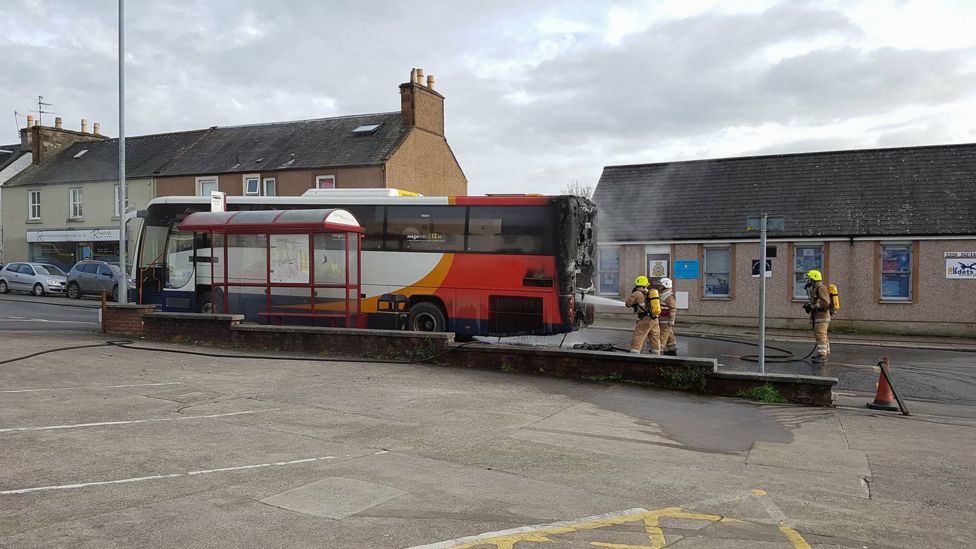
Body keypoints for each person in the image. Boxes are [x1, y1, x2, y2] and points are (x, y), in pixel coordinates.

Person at [625, 275, 661, 355]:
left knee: (639, 335)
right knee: (654, 336)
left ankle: (634, 352)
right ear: (646, 285)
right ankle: (656, 352)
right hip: (655, 318)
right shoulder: (650, 293)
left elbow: (628, 304)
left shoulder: (637, 293)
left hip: (645, 319)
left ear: (637, 285)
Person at [803, 269, 831, 362]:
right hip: (818, 317)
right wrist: (809, 306)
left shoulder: (821, 288)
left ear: (814, 279)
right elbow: (816, 301)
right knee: (822, 335)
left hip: (822, 317)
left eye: (810, 279)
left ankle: (822, 356)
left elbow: (825, 302)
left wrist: (813, 306)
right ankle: (824, 353)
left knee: (820, 335)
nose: (808, 281)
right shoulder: (815, 289)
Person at [657, 277, 678, 355]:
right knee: (668, 332)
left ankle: (659, 349)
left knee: (663, 334)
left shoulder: (669, 296)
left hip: (665, 319)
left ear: (666, 285)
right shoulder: (663, 294)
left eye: (660, 285)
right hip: (662, 318)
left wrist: (672, 320)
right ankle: (672, 347)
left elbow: (673, 308)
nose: (659, 287)